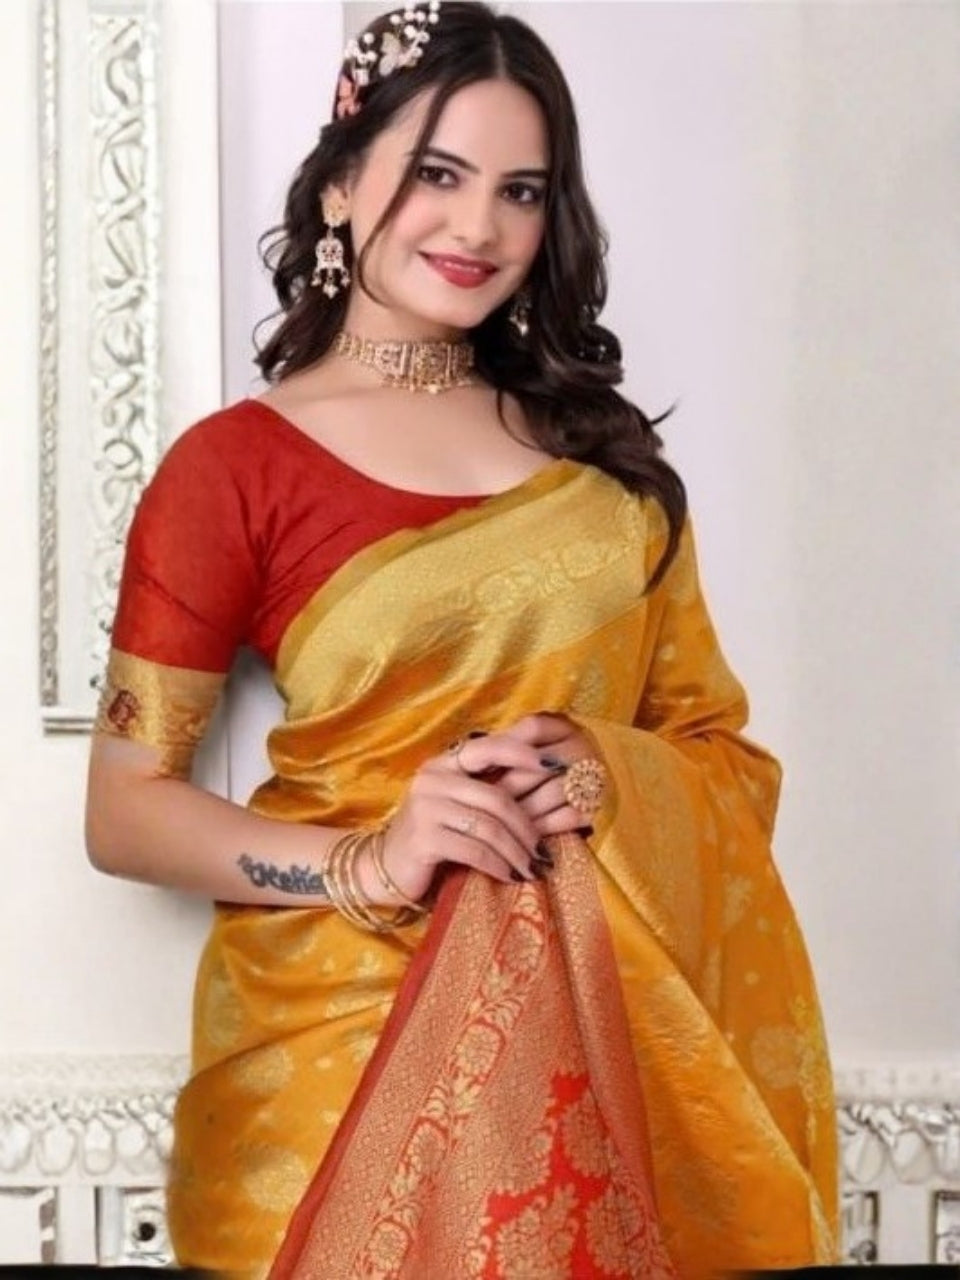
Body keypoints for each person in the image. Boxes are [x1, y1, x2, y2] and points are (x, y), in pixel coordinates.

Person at [84, 3, 838, 1276]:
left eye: (520, 190)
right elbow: (125, 812)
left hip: (600, 1048)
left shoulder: (604, 469)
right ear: (338, 189)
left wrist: (600, 772)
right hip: (326, 1065)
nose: (478, 226)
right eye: (437, 173)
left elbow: (718, 756)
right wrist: (373, 861)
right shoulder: (234, 469)